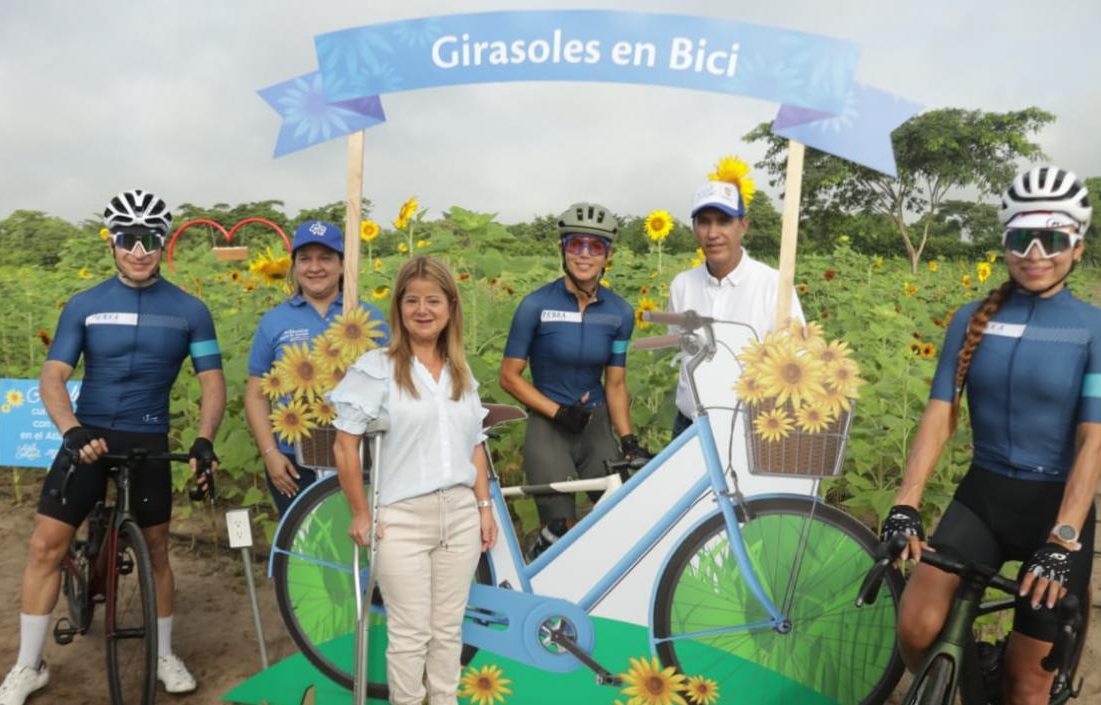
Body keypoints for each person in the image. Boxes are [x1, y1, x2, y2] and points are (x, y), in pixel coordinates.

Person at [881, 167, 1101, 705]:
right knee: (917, 628)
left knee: (1026, 687)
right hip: (984, 496)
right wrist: (906, 501)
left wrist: (1062, 540)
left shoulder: (1097, 329)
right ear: (1006, 244)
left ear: (1077, 248)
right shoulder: (971, 319)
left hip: (1055, 509)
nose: (1036, 252)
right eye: (1022, 238)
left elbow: (1094, 440)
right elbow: (941, 410)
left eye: (1053, 239)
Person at [0, 189, 226, 705]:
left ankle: (163, 653)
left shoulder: (190, 309)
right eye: (128, 239)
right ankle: (28, 666)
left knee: (158, 550)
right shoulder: (86, 304)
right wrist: (71, 431)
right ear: (113, 243)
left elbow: (212, 382)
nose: (139, 250)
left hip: (148, 438)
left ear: (164, 243)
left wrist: (204, 439)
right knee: (45, 547)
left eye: (150, 239)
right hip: (88, 435)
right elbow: (52, 376)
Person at [328, 255, 497, 705]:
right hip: (401, 517)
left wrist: (484, 507)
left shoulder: (460, 370)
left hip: (459, 515)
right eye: (412, 301)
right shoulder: (377, 367)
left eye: (433, 301)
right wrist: (361, 513)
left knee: (447, 630)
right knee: (410, 634)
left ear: (450, 307)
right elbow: (346, 444)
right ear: (399, 307)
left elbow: (475, 444)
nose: (423, 310)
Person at [499, 202, 644, 560]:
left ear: (607, 255)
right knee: (559, 529)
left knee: (622, 511)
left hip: (595, 427)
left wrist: (628, 439)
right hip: (549, 427)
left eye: (595, 247)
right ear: (563, 249)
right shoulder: (535, 306)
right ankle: (539, 566)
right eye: (575, 244)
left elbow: (615, 384)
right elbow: (508, 376)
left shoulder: (620, 313)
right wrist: (557, 412)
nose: (584, 254)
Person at [245, 219, 387, 514]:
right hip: (294, 459)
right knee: (305, 548)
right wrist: (270, 453)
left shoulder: (367, 318)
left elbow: (392, 385)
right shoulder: (274, 321)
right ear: (294, 265)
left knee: (358, 544)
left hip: (362, 455)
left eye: (325, 258)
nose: (315, 267)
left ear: (342, 264)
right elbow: (257, 394)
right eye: (305, 258)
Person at [668, 180, 804, 437]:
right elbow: (682, 348)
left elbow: (795, 361)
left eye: (723, 221)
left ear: (743, 225)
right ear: (694, 228)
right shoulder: (682, 286)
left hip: (748, 430)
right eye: (704, 221)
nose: (712, 233)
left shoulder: (773, 286)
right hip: (688, 428)